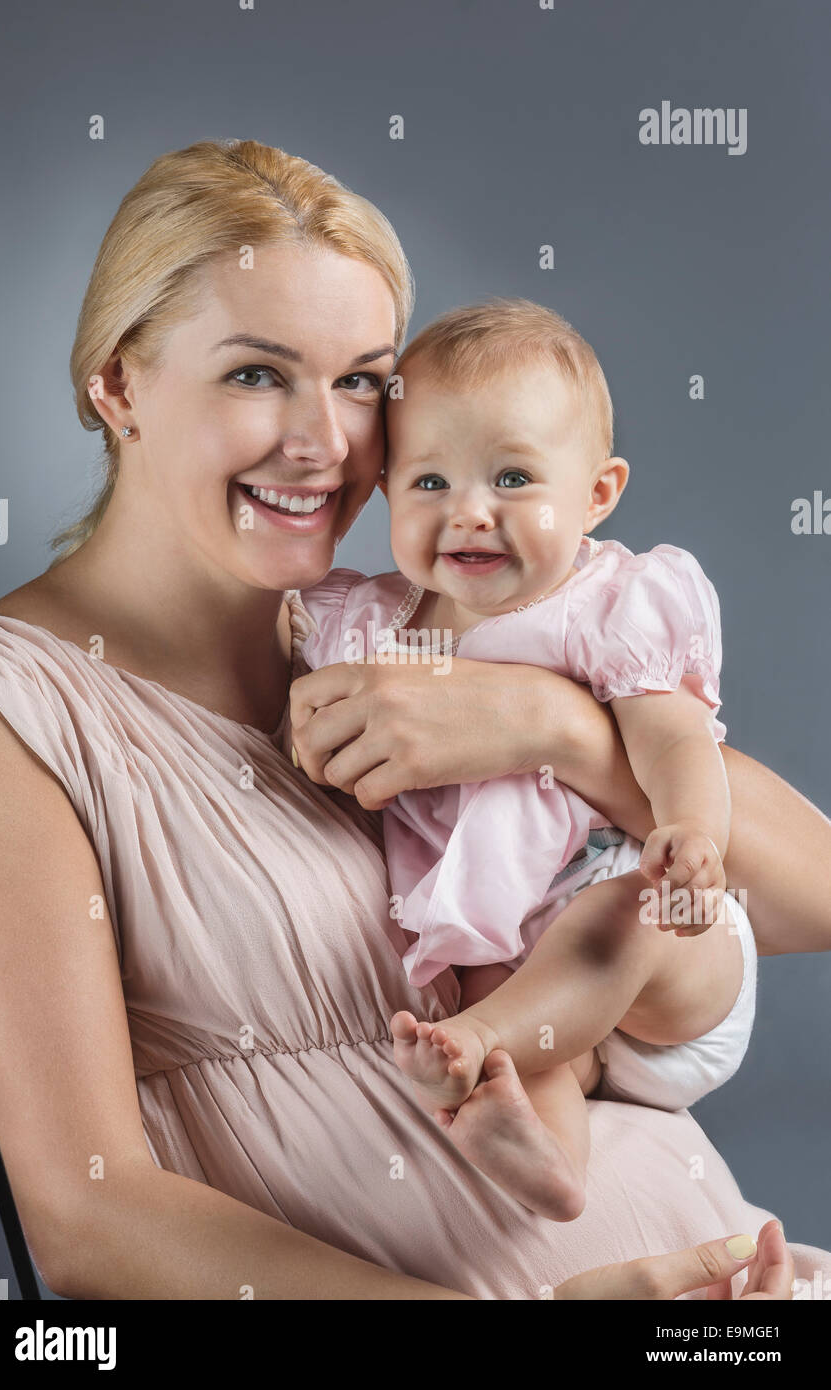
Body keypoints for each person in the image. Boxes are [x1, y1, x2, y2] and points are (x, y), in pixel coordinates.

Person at [0, 138, 827, 1300]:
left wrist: (553, 726)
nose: (326, 443)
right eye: (257, 373)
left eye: (364, 380)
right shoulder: (5, 712)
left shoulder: (422, 633)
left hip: (724, 1278)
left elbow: (810, 891)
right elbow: (88, 1210)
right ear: (116, 384)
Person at [296, 298, 752, 1221]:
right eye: (430, 482)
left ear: (596, 494)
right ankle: (543, 1160)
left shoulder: (604, 605)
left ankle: (473, 1042)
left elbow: (671, 735)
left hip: (662, 946)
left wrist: (692, 835)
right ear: (385, 491)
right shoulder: (374, 625)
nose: (469, 513)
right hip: (515, 967)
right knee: (522, 1052)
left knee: (615, 920)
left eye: (511, 477)